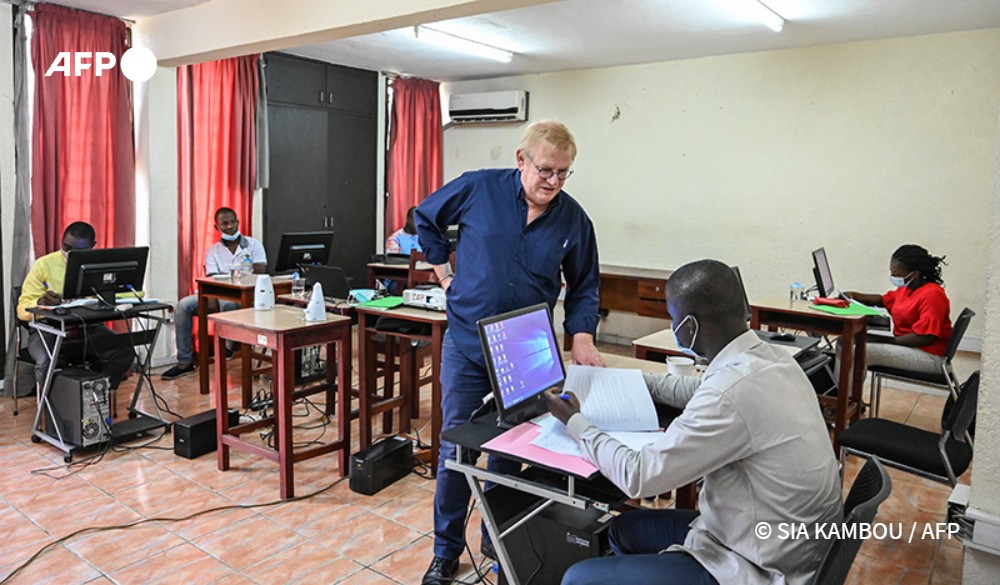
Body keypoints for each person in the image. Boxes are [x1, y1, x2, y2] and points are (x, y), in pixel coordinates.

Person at [545, 259, 843, 585]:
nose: (673, 327)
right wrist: (628, 380)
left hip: (760, 566)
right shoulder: (770, 359)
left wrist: (574, 421)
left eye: (672, 319)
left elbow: (638, 476)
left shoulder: (729, 395)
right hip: (784, 542)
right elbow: (699, 388)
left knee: (578, 578)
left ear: (689, 326)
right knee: (622, 529)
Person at [415, 120, 603, 585]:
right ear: (522, 159)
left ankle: (496, 540)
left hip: (526, 354)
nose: (553, 181)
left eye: (563, 172)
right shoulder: (479, 188)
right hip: (467, 342)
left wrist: (582, 335)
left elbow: (585, 285)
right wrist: (444, 275)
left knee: (511, 451)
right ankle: (445, 551)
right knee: (457, 448)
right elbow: (426, 217)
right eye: (545, 170)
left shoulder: (574, 219)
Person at [17, 221, 135, 393]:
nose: (70, 254)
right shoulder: (44, 265)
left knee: (124, 351)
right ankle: (51, 405)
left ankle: (95, 394)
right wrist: (40, 303)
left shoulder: (99, 265)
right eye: (66, 247)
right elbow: (22, 310)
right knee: (45, 361)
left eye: (78, 251)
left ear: (92, 247)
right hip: (48, 330)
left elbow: (134, 292)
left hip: (87, 328)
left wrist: (108, 294)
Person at [161, 207, 267, 380]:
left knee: (229, 305)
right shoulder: (213, 251)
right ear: (217, 227)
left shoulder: (253, 244)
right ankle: (185, 362)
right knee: (182, 306)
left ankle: (228, 348)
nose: (230, 226)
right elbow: (212, 279)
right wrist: (213, 294)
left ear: (238, 222)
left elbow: (261, 270)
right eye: (225, 223)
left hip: (247, 295)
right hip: (218, 294)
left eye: (232, 222)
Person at [845, 244, 952, 375]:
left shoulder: (932, 294)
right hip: (909, 346)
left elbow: (925, 338)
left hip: (929, 356)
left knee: (859, 351)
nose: (893, 276)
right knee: (844, 342)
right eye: (891, 272)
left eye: (897, 274)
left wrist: (883, 340)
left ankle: (847, 389)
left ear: (915, 274)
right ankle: (840, 387)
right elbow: (883, 300)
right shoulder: (907, 288)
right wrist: (854, 295)